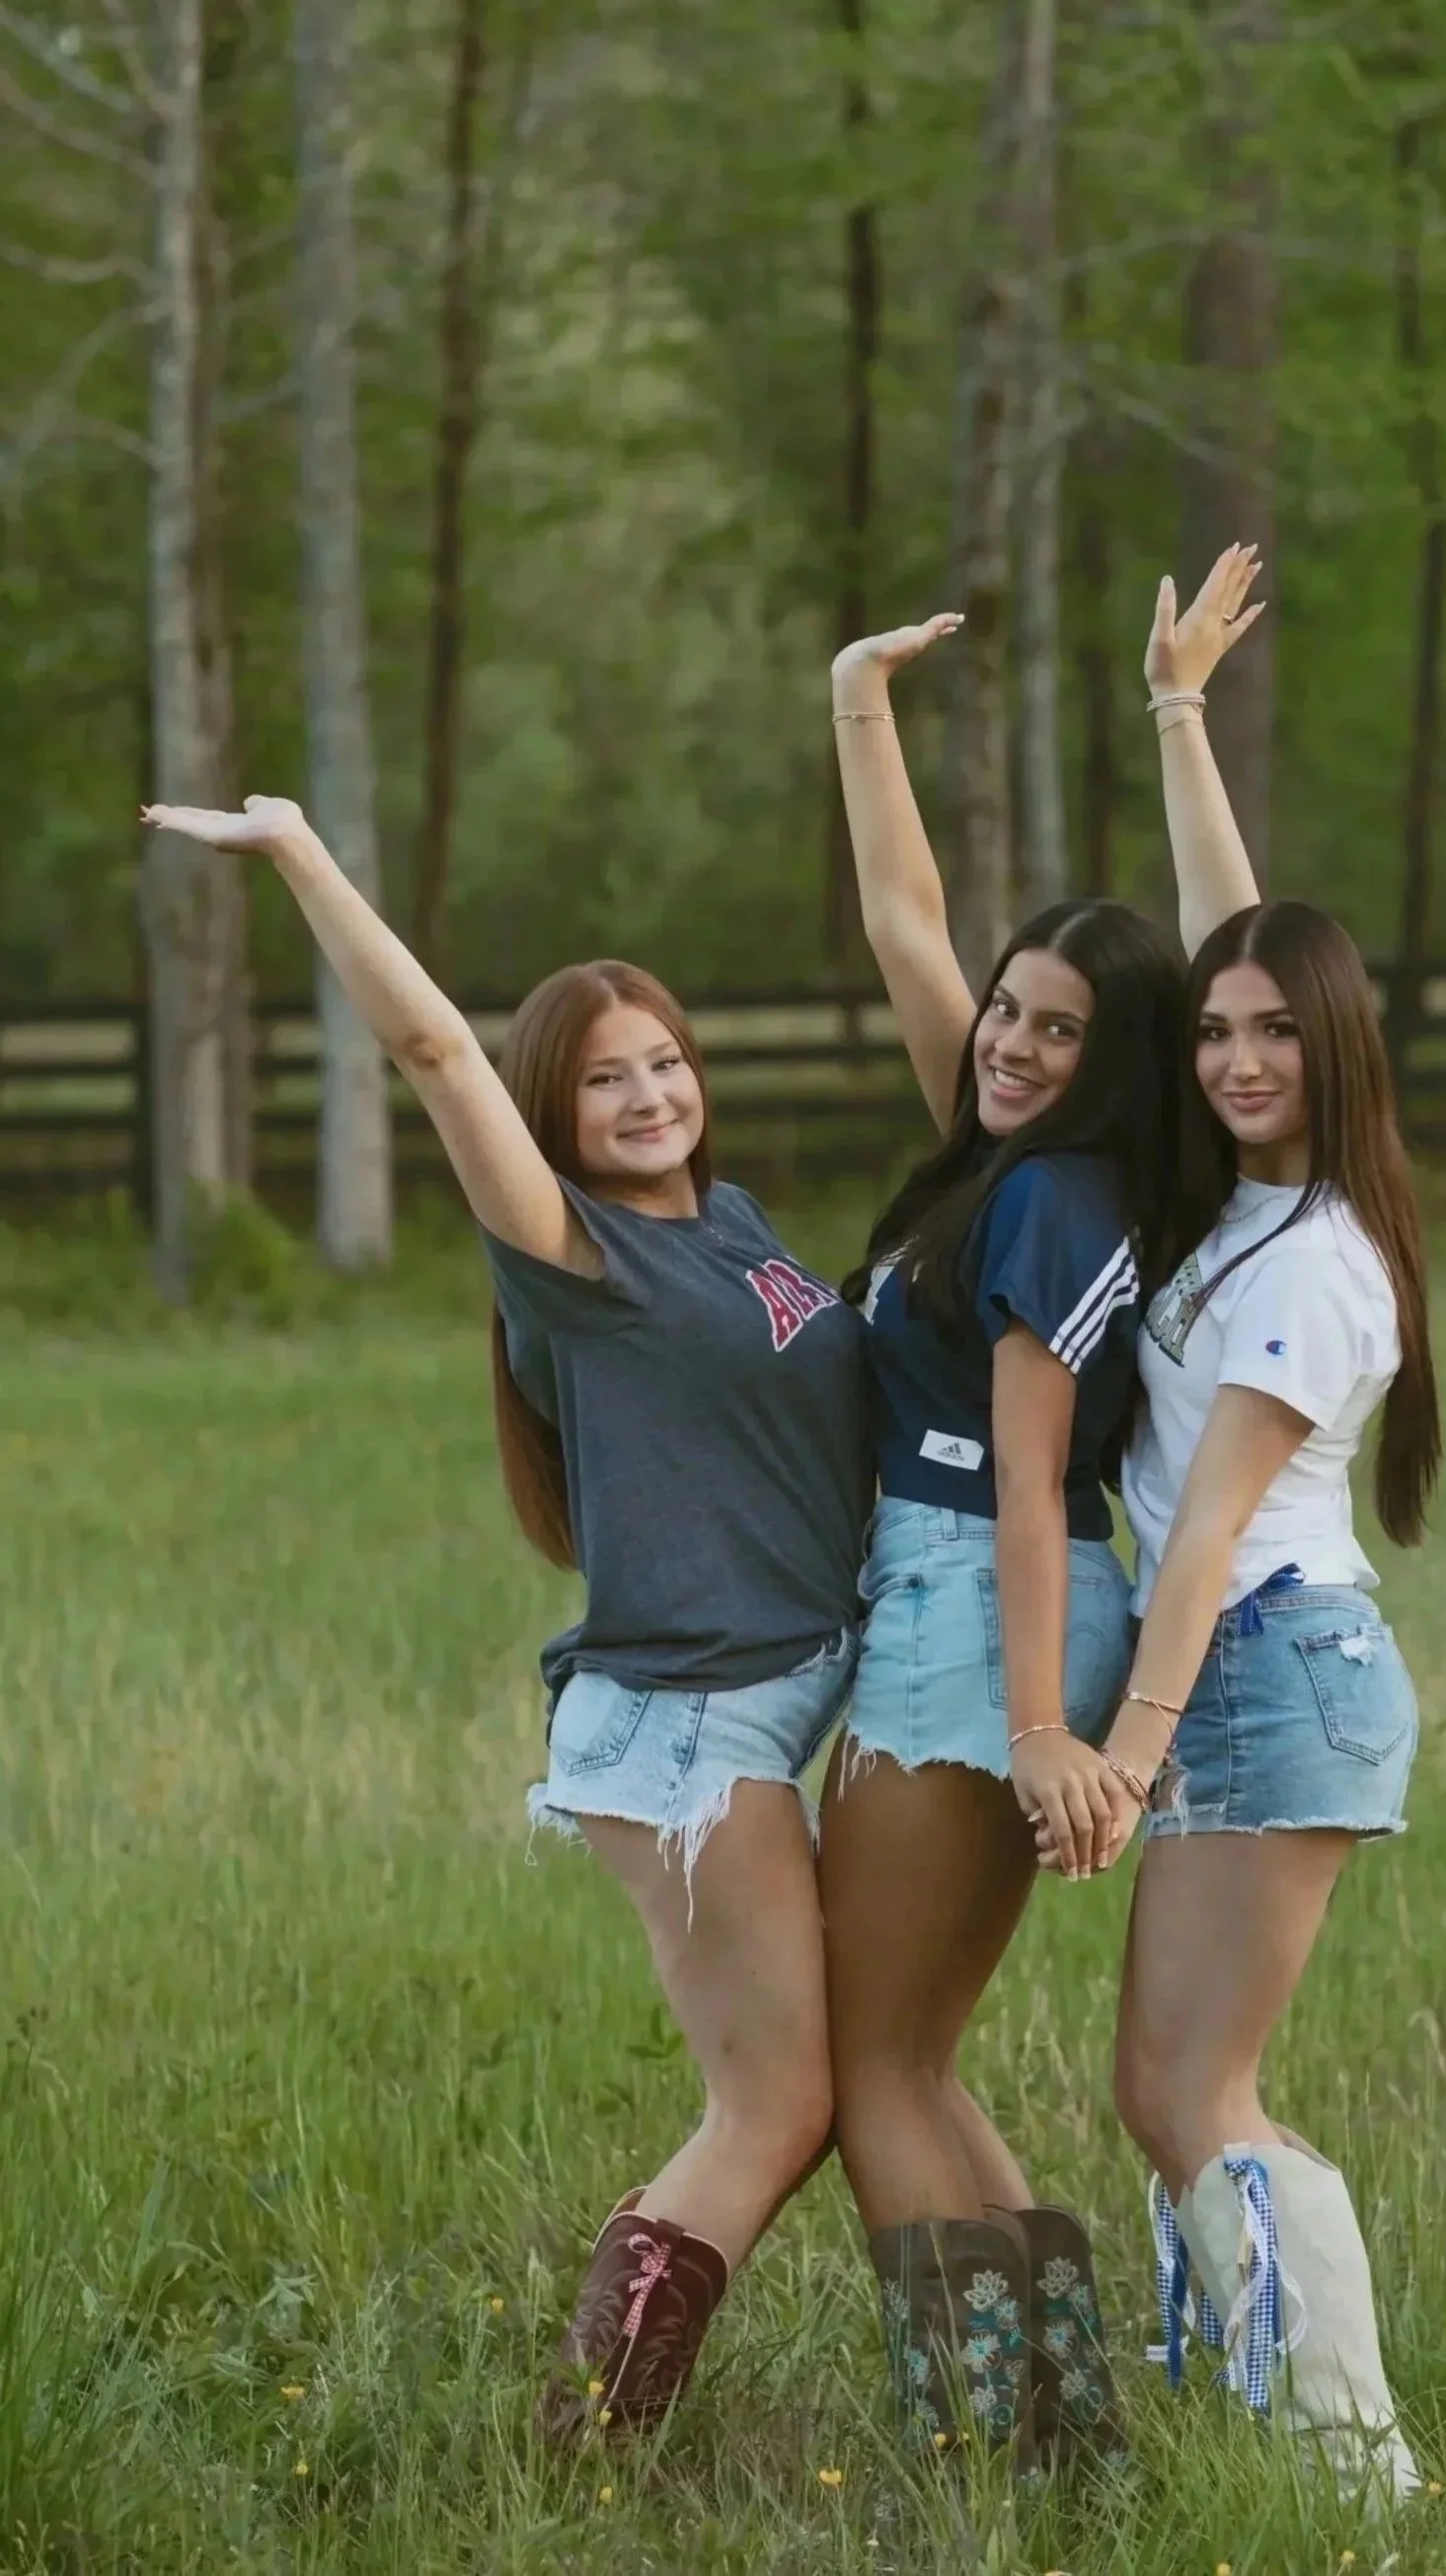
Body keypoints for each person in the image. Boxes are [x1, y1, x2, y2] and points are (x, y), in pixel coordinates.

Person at [137, 795, 873, 2447]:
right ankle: (583, 2436)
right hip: (688, 1721)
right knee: (778, 2105)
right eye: (606, 1077)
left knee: (819, 2088)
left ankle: (599, 2425)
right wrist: (301, 852)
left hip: (772, 1700)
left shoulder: (734, 1223)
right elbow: (433, 1051)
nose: (649, 1093)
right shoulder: (569, 1251)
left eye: (665, 1060)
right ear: (556, 1109)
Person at [820, 547, 1266, 2467]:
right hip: (970, 1608)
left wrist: (1030, 1730)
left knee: (866, 2066)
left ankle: (983, 2454)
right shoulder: (1006, 1158)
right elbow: (904, 923)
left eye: (1058, 1029)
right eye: (1010, 1009)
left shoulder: (1055, 1205)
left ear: (1118, 1060)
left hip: (974, 1615)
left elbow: (1025, 1480)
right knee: (907, 2055)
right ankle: (1062, 2437)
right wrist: (859, 701)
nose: (1007, 1040)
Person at [1048, 588, 1440, 2503]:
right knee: (1163, 2088)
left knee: (1194, 2091)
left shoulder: (1311, 1265)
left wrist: (1122, 1756)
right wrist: (1176, 714)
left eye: (1277, 1032)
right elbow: (1236, 929)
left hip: (1267, 1662)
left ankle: (1357, 2474)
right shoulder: (1253, 1208)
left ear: (1337, 1041)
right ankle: (1261, 2430)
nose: (1232, 1056)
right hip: (1252, 1665)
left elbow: (1202, 1531)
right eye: (1215, 1033)